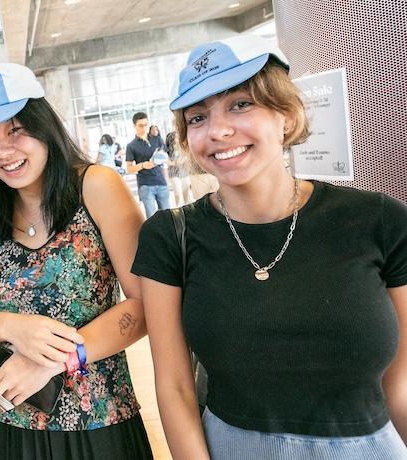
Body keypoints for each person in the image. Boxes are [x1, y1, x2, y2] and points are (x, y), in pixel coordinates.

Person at [131, 35, 407, 459]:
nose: (218, 130)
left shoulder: (379, 220)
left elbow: (402, 379)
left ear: (286, 115)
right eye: (198, 117)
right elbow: (174, 386)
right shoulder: (171, 236)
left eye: (241, 104)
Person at [0, 62, 153, 460]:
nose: (1, 152)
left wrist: (57, 359)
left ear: (42, 124)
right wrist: (9, 326)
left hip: (99, 418)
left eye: (14, 131)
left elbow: (146, 304)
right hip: (13, 423)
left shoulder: (95, 186)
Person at [126, 113, 170, 218]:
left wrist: (166, 180)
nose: (144, 128)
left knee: (168, 217)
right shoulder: (131, 146)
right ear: (134, 126)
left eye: (146, 124)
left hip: (161, 182)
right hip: (145, 185)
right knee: (152, 218)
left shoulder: (157, 139)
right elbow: (129, 169)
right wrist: (142, 165)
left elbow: (165, 160)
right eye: (141, 125)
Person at [165, 131, 195, 206]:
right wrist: (175, 163)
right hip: (173, 173)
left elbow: (188, 155)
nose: (177, 138)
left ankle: (188, 209)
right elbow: (165, 161)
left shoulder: (183, 147)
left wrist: (183, 159)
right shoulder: (167, 150)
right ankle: (178, 207)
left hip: (184, 172)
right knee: (177, 192)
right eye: (175, 137)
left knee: (186, 192)